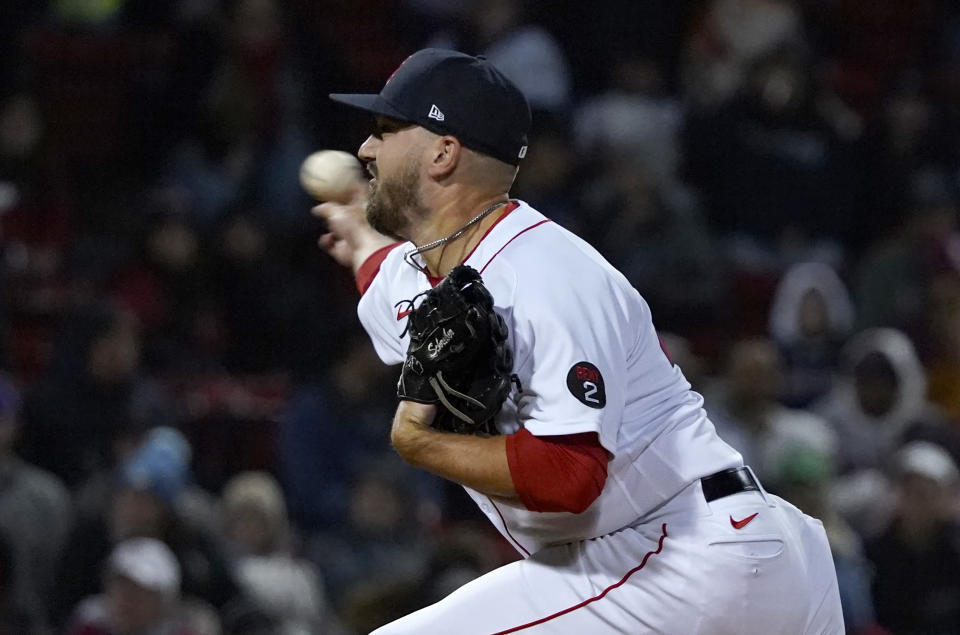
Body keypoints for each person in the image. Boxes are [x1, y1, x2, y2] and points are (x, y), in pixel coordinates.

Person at [315, 48, 844, 633]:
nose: (365, 148)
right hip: (706, 552)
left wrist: (417, 441)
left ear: (443, 152)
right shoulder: (435, 267)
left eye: (387, 129)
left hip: (686, 550)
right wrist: (360, 239)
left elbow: (570, 475)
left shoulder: (546, 275)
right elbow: (394, 286)